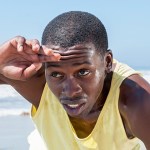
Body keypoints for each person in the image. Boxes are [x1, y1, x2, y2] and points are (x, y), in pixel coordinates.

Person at [0, 11, 149, 150]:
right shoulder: (37, 80)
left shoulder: (137, 101)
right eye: (57, 75)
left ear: (107, 62)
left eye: (83, 72)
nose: (70, 92)